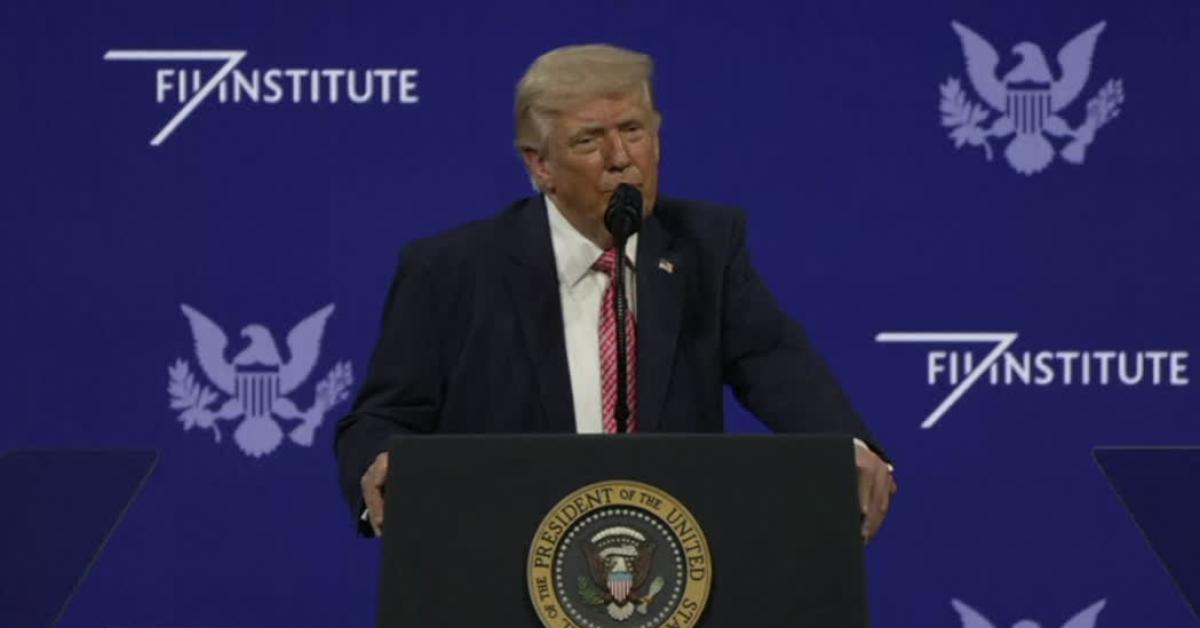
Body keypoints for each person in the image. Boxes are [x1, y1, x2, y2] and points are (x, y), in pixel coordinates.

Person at [334, 43, 895, 540]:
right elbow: (385, 415)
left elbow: (774, 362)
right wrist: (382, 463)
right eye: (589, 140)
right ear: (540, 164)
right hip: (506, 555)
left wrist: (845, 448)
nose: (621, 158)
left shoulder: (704, 247)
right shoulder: (452, 270)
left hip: (673, 564)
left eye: (634, 130)